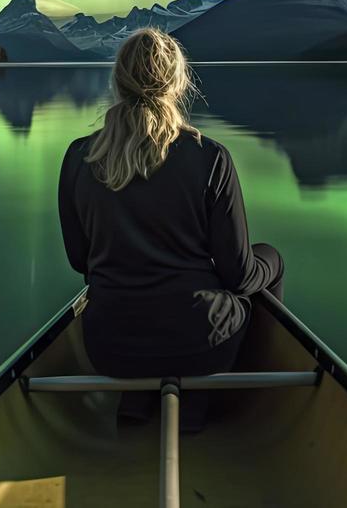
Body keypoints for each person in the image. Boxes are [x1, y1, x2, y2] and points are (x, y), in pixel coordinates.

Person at [57, 27, 283, 419]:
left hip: (110, 349)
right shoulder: (210, 157)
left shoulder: (80, 157)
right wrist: (271, 263)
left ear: (118, 81)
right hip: (201, 346)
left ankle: (137, 399)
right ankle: (245, 393)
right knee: (269, 259)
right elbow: (240, 278)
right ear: (177, 85)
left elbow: (81, 261)